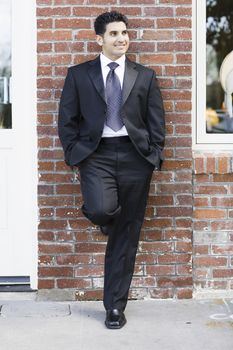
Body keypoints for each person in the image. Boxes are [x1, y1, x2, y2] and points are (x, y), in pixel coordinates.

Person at [58, 11, 165, 329]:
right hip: (96, 155)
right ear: (99, 39)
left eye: (125, 33)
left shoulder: (144, 76)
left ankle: (114, 307)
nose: (122, 39)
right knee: (100, 207)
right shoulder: (79, 75)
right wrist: (74, 154)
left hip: (136, 158)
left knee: (127, 234)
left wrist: (154, 156)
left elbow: (156, 121)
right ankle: (104, 216)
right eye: (115, 34)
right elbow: (67, 120)